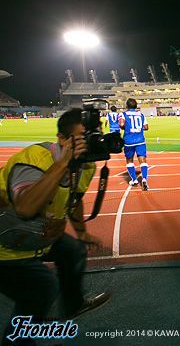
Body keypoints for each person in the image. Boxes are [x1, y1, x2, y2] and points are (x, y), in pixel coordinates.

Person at [0, 108, 110, 346]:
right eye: (83, 137)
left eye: (95, 135)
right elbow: (25, 208)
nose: (90, 143)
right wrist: (63, 164)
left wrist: (81, 232)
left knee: (73, 251)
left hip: (30, 234)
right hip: (4, 242)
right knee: (41, 288)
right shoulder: (34, 160)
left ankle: (73, 305)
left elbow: (75, 197)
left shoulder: (85, 164)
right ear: (62, 139)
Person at [118, 98, 149, 191]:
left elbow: (121, 124)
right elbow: (146, 127)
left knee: (129, 160)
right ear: (136, 106)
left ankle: (134, 180)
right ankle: (144, 178)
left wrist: (126, 127)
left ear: (126, 106)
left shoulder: (123, 114)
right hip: (140, 140)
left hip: (128, 140)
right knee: (142, 159)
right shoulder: (141, 115)